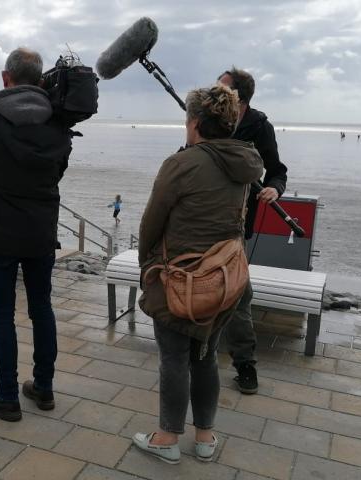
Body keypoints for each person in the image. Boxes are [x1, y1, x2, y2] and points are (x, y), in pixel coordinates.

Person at [133, 85, 263, 464]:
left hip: (180, 279)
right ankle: (205, 437)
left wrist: (145, 265)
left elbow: (151, 223)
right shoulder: (245, 162)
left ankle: (167, 438)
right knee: (205, 356)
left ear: (194, 123)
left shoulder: (182, 164)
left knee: (174, 358)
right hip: (224, 279)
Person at [0, 47, 73, 422]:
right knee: (42, 308)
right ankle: (44, 387)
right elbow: (58, 168)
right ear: (40, 81)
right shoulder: (58, 124)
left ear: (5, 78)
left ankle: (6, 396)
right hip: (41, 231)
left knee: (2, 315)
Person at [217, 66, 288, 394]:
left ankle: (245, 364)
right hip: (201, 220)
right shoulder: (210, 119)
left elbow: (277, 171)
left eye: (222, 88)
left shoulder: (260, 126)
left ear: (240, 97)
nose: (215, 92)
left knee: (239, 295)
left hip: (237, 224)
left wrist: (274, 189)